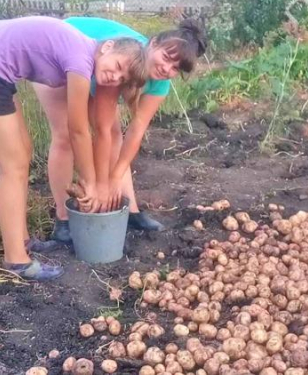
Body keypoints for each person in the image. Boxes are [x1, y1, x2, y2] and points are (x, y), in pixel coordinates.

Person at [0, 16, 147, 281]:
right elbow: (77, 129)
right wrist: (89, 183)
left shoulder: (85, 55)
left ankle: (22, 241)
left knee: (23, 154)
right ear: (107, 47)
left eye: (121, 78)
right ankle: (16, 260)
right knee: (14, 166)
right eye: (117, 66)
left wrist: (89, 179)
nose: (114, 77)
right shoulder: (82, 59)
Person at [33, 16, 208, 244]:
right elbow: (101, 130)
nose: (167, 69)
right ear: (152, 43)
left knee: (117, 135)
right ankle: (63, 220)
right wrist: (100, 185)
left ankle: (130, 211)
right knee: (66, 136)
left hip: (99, 71)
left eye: (175, 68)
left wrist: (113, 179)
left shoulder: (160, 82)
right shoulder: (125, 61)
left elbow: (136, 130)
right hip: (60, 58)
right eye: (166, 58)